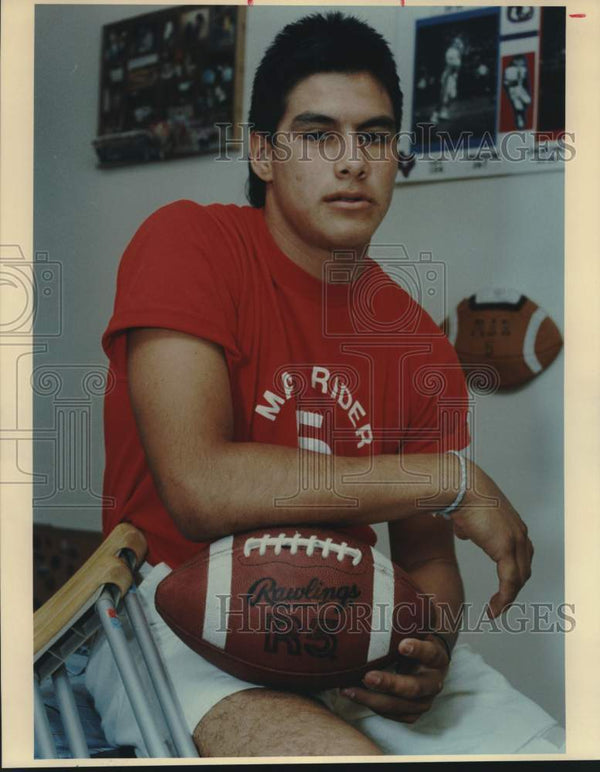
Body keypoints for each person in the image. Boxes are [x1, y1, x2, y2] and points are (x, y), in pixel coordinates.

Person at [86, 12, 565, 757]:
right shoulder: (189, 242)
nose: (352, 161)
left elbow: (428, 561)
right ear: (263, 152)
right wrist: (452, 479)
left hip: (349, 615)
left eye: (374, 137)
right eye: (318, 135)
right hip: (167, 610)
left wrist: (427, 646)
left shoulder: (414, 341)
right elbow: (200, 485)